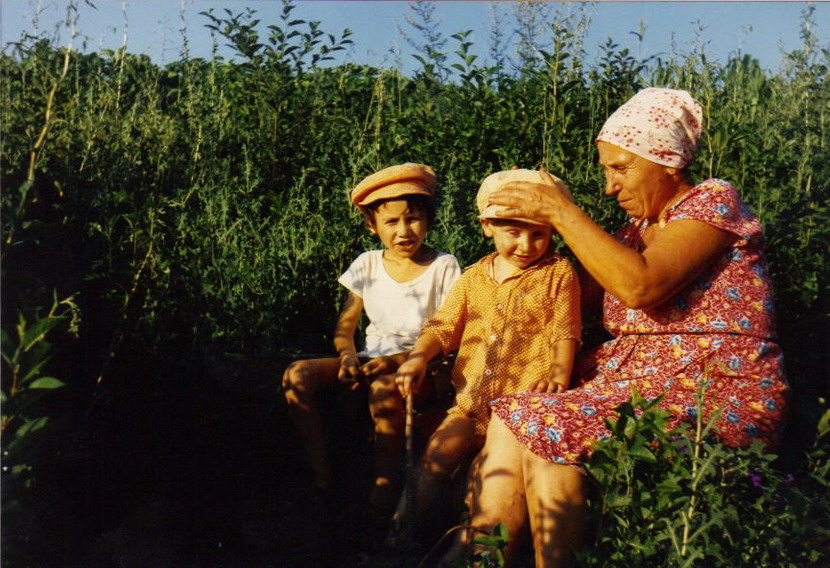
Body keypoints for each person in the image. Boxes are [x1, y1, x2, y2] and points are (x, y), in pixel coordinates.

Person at [454, 87, 790, 567]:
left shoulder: (713, 203)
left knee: (551, 429)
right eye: (606, 170)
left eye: (620, 167)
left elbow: (642, 287)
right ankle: (484, 561)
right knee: (513, 414)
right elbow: (567, 297)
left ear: (668, 161)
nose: (610, 186)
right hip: (635, 385)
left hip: (714, 388)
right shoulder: (633, 233)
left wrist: (563, 213)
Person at [393, 168, 582, 545]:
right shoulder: (475, 276)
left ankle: (471, 547)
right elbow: (444, 326)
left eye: (538, 234)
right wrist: (418, 358)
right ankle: (399, 537)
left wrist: (560, 373)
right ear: (487, 226)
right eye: (514, 232)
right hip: (470, 403)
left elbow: (565, 330)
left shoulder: (558, 273)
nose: (527, 245)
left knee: (484, 479)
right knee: (434, 459)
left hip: (519, 408)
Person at [281, 163, 461, 519]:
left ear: (427, 218)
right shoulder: (367, 264)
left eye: (413, 219)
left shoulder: (443, 265)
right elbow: (345, 327)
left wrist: (397, 361)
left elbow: (449, 334)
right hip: (368, 357)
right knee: (296, 375)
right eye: (391, 222)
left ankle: (383, 490)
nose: (404, 231)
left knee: (382, 389)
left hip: (421, 365)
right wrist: (348, 357)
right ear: (372, 225)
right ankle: (323, 479)